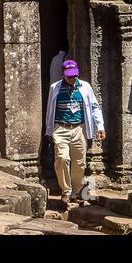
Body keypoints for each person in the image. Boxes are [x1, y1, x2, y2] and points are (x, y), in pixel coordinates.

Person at [44, 59, 105, 207]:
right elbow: (50, 109)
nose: (72, 79)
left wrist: (100, 126)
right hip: (61, 127)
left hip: (79, 128)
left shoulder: (85, 87)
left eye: (74, 76)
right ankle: (66, 191)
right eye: (69, 76)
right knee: (62, 158)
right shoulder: (55, 87)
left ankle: (77, 193)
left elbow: (94, 107)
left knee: (79, 162)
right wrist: (49, 130)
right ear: (63, 74)